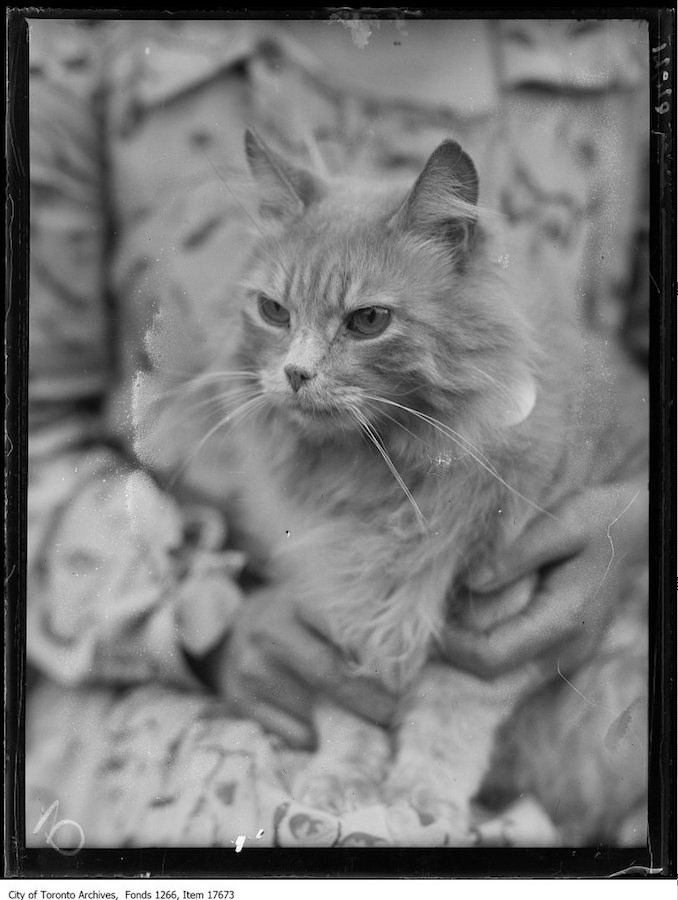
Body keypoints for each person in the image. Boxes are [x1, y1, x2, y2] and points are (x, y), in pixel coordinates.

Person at [25, 16, 649, 843]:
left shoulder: (624, 52)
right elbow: (28, 445)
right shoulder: (80, 52)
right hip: (187, 658)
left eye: (364, 321)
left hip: (580, 650)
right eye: (276, 312)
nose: (298, 364)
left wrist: (639, 517)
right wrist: (206, 620)